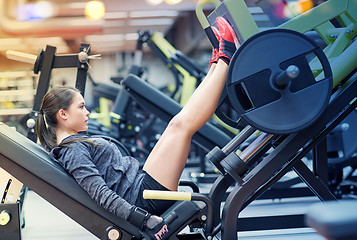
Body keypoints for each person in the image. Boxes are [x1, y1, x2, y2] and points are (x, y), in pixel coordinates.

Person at [36, 17, 240, 240]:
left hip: (140, 184)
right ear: (63, 114)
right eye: (81, 107)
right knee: (182, 126)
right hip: (144, 199)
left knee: (176, 123)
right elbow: (100, 194)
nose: (87, 112)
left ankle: (218, 62)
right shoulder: (72, 151)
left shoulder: (73, 145)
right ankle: (225, 58)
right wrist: (143, 219)